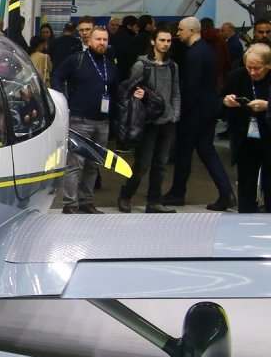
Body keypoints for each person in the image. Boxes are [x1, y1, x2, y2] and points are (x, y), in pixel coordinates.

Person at [164, 16, 235, 211]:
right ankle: (226, 192)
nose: (177, 33)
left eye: (180, 29)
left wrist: (181, 111)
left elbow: (192, 87)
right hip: (207, 109)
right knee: (205, 150)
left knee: (185, 152)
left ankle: (178, 192)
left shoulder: (194, 54)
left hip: (194, 112)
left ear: (191, 31)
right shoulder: (207, 50)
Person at [51, 26, 117, 214]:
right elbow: (56, 76)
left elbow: (115, 91)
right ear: (89, 41)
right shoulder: (77, 60)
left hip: (102, 122)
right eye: (98, 39)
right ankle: (70, 204)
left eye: (105, 40)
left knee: (93, 165)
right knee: (75, 165)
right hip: (80, 120)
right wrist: (62, 99)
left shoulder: (110, 65)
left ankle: (86, 201)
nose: (102, 43)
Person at [117, 25, 180, 213]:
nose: (166, 44)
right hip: (148, 122)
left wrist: (175, 114)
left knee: (160, 165)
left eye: (169, 41)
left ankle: (154, 201)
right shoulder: (141, 65)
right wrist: (137, 96)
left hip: (167, 122)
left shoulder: (172, 66)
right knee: (142, 164)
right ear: (153, 41)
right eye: (162, 40)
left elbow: (175, 92)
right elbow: (128, 90)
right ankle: (126, 195)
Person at [221, 44, 271, 213]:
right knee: (246, 183)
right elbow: (219, 101)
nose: (253, 72)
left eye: (257, 68)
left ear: (268, 65)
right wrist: (226, 101)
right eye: (249, 67)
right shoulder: (236, 76)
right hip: (246, 138)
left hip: (268, 136)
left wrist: (267, 106)